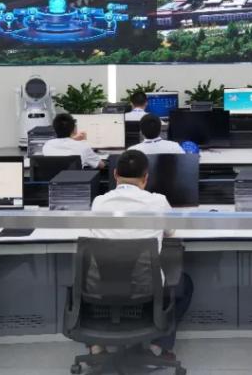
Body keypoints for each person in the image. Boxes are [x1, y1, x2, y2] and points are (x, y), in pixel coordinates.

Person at [88, 150, 192, 357]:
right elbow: (171, 232)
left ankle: (96, 345)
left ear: (115, 174)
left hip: (102, 291)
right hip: (146, 292)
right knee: (184, 284)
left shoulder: (99, 202)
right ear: (146, 178)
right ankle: (157, 345)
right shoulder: (158, 202)